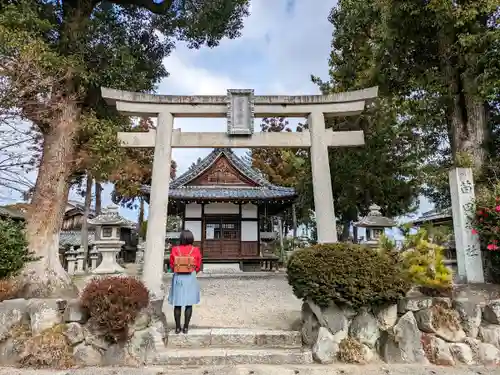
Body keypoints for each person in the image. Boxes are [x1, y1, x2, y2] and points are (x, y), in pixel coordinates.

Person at [168, 229, 202, 334]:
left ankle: (177, 328)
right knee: (189, 303)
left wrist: (177, 270)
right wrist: (192, 271)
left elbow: (172, 264)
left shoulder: (175, 249)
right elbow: (198, 264)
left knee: (177, 304)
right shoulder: (195, 250)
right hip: (190, 276)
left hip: (178, 277)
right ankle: (186, 327)